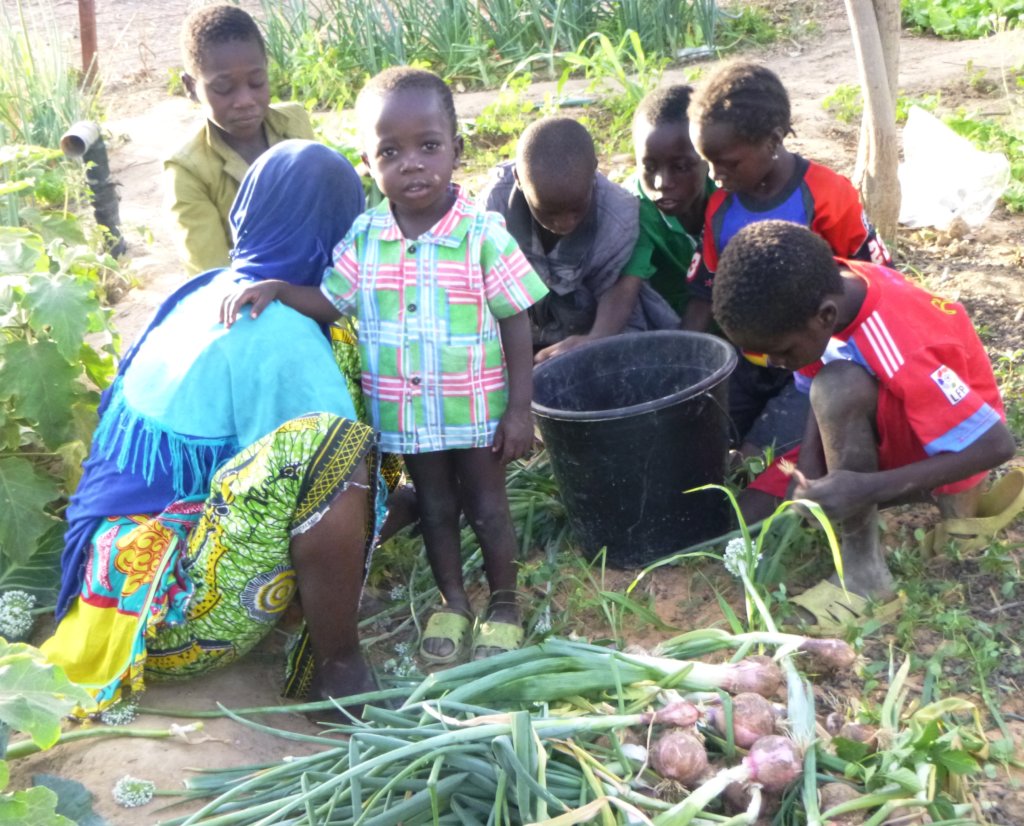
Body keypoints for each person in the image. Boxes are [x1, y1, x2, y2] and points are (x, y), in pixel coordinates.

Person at [42, 141, 405, 716]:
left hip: (102, 584)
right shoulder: (277, 328)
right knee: (338, 453)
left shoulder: (206, 287)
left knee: (335, 440)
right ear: (331, 233)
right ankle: (338, 668)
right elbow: (322, 463)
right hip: (162, 621)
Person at [221, 68, 550, 665]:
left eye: (429, 146)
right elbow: (330, 301)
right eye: (390, 152)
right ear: (367, 162)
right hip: (410, 419)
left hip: (477, 411)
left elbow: (516, 319)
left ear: (457, 147)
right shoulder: (365, 237)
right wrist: (278, 288)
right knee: (437, 509)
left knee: (489, 507)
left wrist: (521, 410)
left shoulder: (483, 234)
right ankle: (453, 599)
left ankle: (504, 602)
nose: (413, 164)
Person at [712, 220, 1022, 634]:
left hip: (954, 445)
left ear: (824, 317)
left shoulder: (900, 341)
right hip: (898, 418)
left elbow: (995, 445)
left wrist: (866, 488)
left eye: (782, 352)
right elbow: (814, 385)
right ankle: (851, 505)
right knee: (748, 514)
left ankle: (864, 578)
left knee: (839, 386)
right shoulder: (822, 294)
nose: (778, 364)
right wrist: (806, 472)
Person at [687, 61, 892, 500]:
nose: (715, 175)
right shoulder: (721, 206)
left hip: (813, 363)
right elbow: (706, 291)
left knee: (757, 467)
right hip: (746, 362)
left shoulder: (827, 195)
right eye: (707, 163)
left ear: (773, 141)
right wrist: (683, 369)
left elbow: (875, 281)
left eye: (727, 163)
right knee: (700, 450)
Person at [477, 116, 680, 362]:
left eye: (576, 210)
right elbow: (480, 286)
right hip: (517, 330)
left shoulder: (618, 215)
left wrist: (595, 339)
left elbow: (618, 287)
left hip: (593, 326)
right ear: (519, 179)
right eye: (548, 212)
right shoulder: (492, 209)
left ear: (595, 170)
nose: (564, 223)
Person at [165, 5, 315, 275]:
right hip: (246, 304)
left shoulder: (294, 123)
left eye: (257, 82)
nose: (245, 101)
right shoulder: (188, 170)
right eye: (223, 88)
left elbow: (322, 204)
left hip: (318, 284)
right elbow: (213, 277)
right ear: (190, 87)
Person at [622, 84, 715, 330]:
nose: (662, 183)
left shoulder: (730, 190)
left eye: (681, 167)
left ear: (708, 158)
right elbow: (626, 286)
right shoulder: (635, 209)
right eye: (649, 167)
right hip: (672, 327)